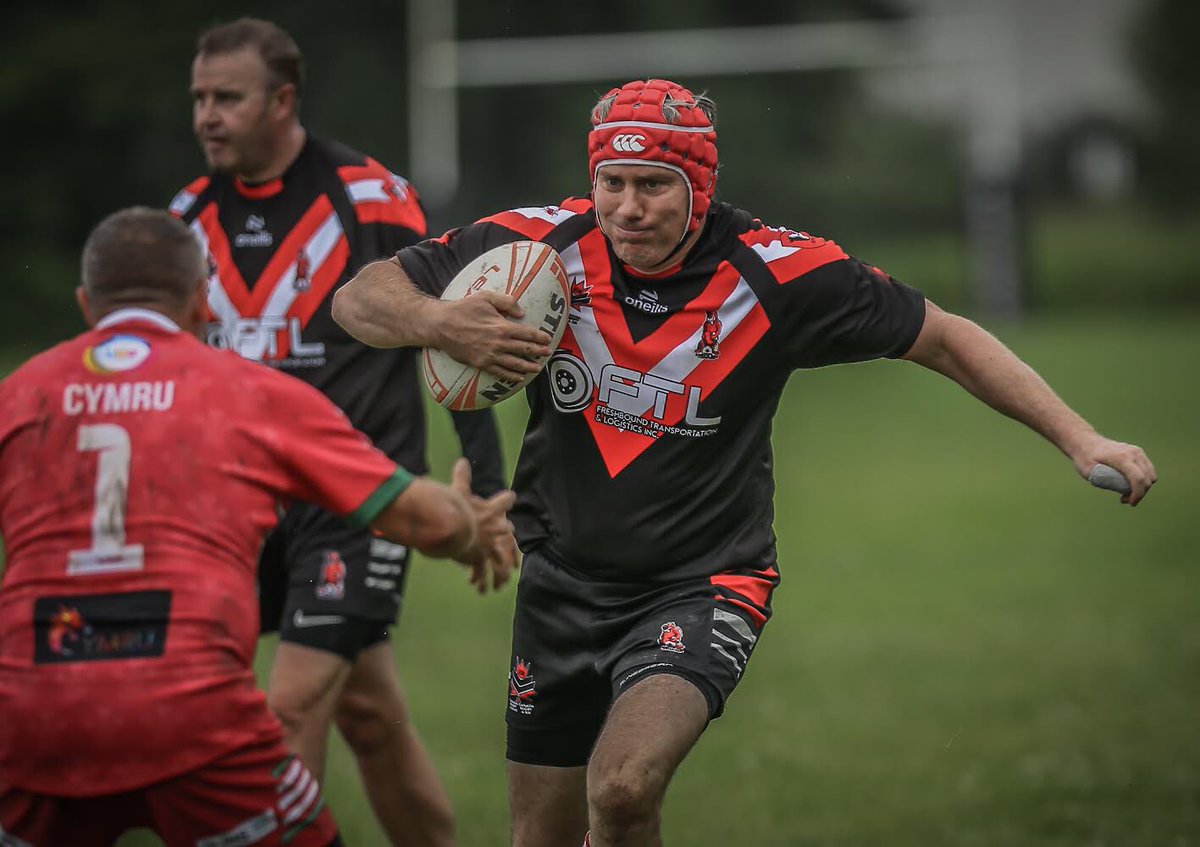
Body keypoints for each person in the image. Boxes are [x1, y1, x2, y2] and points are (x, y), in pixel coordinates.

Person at [330, 79, 1158, 847]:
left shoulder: (780, 271)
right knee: (539, 835)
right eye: (612, 182)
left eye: (652, 183)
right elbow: (361, 296)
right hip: (560, 582)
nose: (626, 206)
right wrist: (440, 323)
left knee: (620, 789)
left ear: (699, 185)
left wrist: (1082, 437)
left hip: (703, 581)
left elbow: (945, 336)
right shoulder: (541, 244)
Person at [0, 207, 519, 847]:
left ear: (86, 304)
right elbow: (425, 520)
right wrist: (472, 525)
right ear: (201, 300)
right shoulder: (250, 392)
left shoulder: (19, 395)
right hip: (194, 715)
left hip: (32, 714)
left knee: (369, 707)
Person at [170, 19, 507, 845]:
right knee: (368, 713)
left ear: (283, 100)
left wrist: (486, 479)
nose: (207, 117)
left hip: (355, 497)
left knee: (287, 708)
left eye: (228, 98)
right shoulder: (184, 218)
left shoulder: (369, 196)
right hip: (236, 503)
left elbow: (446, 334)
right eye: (199, 99)